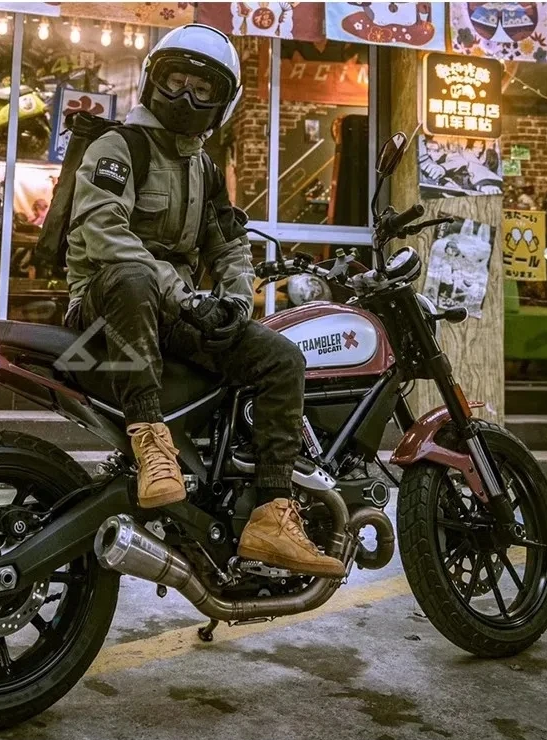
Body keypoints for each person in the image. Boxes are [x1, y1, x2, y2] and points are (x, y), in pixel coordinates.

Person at [64, 24, 343, 576]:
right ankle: (151, 444)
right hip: (105, 310)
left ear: (223, 102)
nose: (186, 97)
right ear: (153, 82)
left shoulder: (205, 169)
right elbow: (104, 233)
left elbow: (230, 245)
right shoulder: (118, 147)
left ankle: (271, 514)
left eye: (202, 88)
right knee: (133, 276)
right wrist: (187, 299)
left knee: (281, 358)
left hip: (171, 313)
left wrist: (235, 303)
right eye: (175, 82)